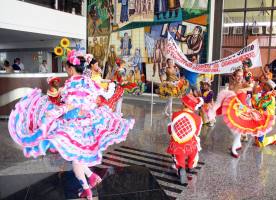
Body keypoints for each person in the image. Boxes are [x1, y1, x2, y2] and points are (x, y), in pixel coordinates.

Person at [8, 50, 135, 199]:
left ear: (70, 68)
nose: (66, 70)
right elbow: (91, 99)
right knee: (78, 155)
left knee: (76, 160)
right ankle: (92, 176)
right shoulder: (87, 80)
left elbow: (71, 105)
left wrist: (55, 112)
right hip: (87, 121)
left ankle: (86, 190)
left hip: (75, 125)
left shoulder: (74, 83)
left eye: (66, 67)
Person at [209, 68, 275, 158]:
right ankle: (238, 144)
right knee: (233, 129)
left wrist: (247, 88)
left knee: (238, 129)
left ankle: (234, 148)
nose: (240, 77)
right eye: (238, 76)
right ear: (234, 77)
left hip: (242, 109)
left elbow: (252, 88)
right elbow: (229, 96)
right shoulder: (231, 86)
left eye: (241, 76)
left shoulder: (245, 84)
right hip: (234, 109)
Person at [166, 94, 203, 184]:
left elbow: (170, 130)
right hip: (190, 145)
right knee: (194, 150)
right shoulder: (198, 119)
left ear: (184, 104)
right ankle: (190, 166)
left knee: (179, 157)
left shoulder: (175, 114)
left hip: (177, 146)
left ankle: (181, 168)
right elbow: (197, 133)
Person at [252, 80, 276, 147]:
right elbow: (257, 105)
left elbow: (258, 105)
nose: (263, 86)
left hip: (267, 120)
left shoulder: (270, 97)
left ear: (269, 87)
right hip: (262, 118)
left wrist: (254, 93)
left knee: (260, 143)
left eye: (265, 85)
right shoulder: (265, 94)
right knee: (257, 140)